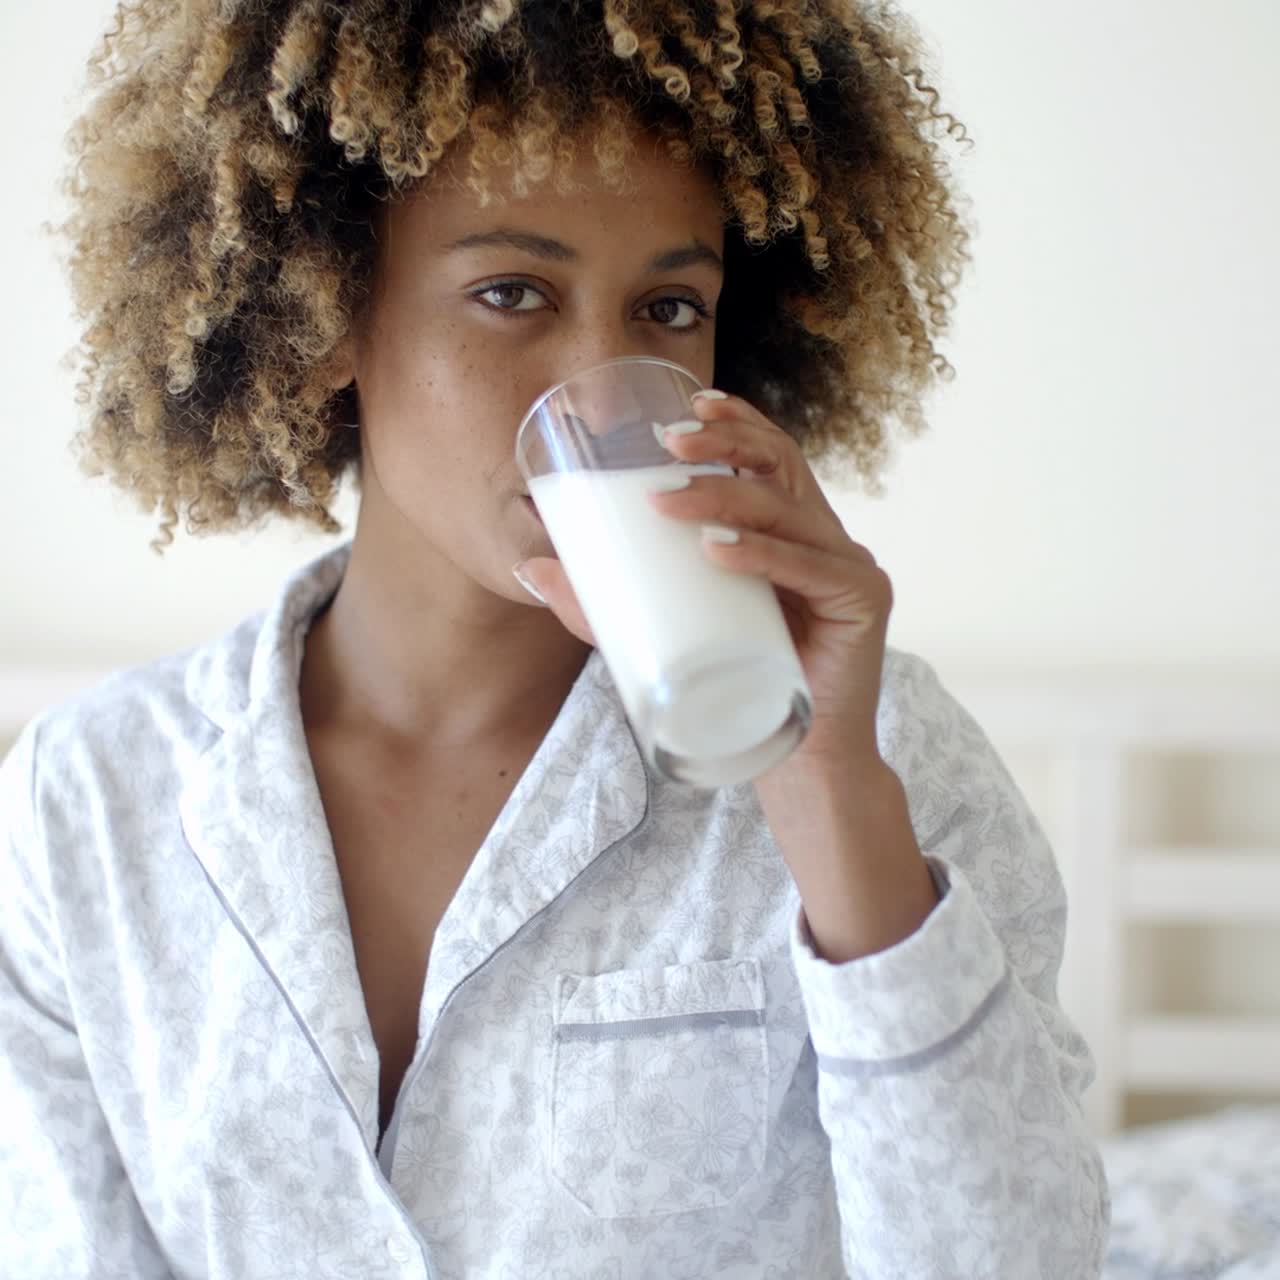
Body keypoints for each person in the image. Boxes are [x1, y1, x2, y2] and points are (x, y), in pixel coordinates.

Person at [0, 0, 1110, 1275]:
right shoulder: (90, 804)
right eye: (510, 292)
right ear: (325, 321)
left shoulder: (881, 752)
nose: (599, 380)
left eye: (668, 308)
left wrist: (823, 793)